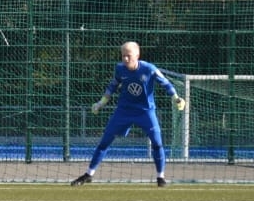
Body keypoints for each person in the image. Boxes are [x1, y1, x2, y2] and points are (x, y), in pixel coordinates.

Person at [71, 40, 185, 187]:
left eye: (128, 56)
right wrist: (101, 103)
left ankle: (160, 177)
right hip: (124, 111)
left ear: (137, 55)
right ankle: (89, 174)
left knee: (157, 143)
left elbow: (166, 83)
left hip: (145, 111)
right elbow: (112, 86)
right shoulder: (120, 69)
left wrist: (176, 98)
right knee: (104, 142)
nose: (125, 59)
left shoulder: (149, 69)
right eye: (123, 55)